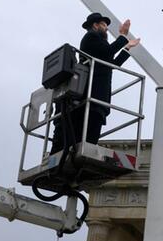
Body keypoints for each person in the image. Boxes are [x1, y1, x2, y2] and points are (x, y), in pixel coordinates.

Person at [51, 13, 140, 153]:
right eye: (104, 25)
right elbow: (108, 51)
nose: (106, 29)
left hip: (98, 97)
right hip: (92, 93)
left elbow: (113, 63)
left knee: (92, 129)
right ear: (95, 25)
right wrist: (122, 36)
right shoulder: (91, 37)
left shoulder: (100, 43)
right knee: (86, 128)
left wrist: (127, 47)